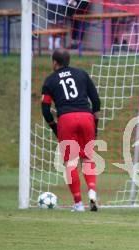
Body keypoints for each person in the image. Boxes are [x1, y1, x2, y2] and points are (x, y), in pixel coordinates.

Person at [41, 49, 101, 212]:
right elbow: (95, 100)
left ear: (54, 62)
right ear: (68, 61)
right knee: (88, 159)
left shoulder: (50, 81)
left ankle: (78, 204)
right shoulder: (82, 74)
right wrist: (95, 123)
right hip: (86, 117)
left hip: (66, 120)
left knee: (70, 163)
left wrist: (55, 127)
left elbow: (46, 109)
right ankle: (92, 191)